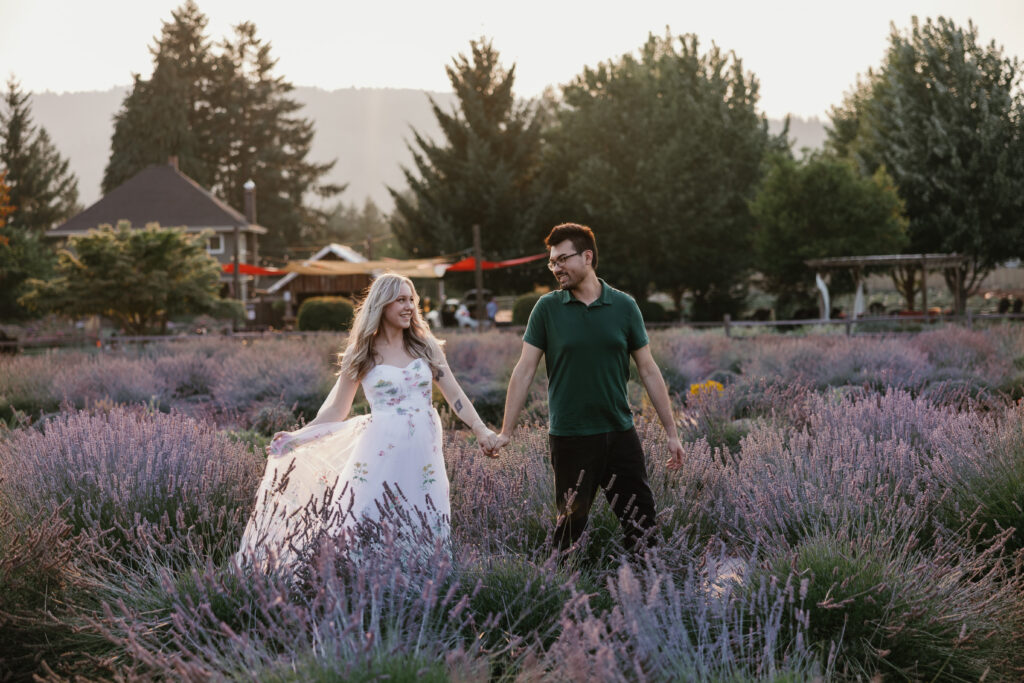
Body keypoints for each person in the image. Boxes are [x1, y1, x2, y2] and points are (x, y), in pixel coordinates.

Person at [237, 273, 498, 569]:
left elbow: (455, 395)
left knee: (425, 519)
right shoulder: (362, 353)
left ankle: (423, 594)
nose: (409, 306)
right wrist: (299, 436)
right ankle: (361, 593)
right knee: (366, 521)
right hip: (379, 453)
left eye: (411, 299)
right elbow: (336, 410)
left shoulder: (426, 348)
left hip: (424, 456)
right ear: (382, 305)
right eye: (401, 300)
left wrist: (480, 429)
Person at [488, 223, 684, 556]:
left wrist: (671, 432)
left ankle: (644, 598)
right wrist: (506, 430)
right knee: (569, 533)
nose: (556, 268)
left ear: (588, 257)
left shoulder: (624, 307)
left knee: (643, 528)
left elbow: (649, 370)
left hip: (620, 435)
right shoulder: (547, 309)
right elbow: (524, 371)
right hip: (570, 438)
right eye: (552, 262)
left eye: (563, 259)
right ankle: (566, 598)